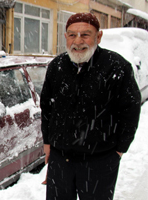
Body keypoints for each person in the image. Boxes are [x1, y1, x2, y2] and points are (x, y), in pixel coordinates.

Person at [40, 12, 141, 200]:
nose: (78, 41)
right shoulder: (57, 66)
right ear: (66, 37)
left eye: (85, 34)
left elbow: (130, 109)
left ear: (98, 36)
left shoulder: (116, 67)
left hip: (100, 161)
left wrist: (119, 149)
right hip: (61, 160)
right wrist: (47, 141)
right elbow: (47, 106)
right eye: (72, 35)